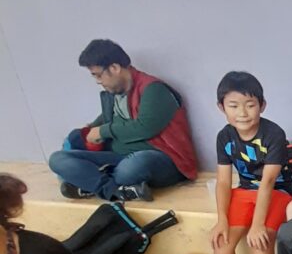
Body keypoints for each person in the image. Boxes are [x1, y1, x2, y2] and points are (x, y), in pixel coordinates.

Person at [186, 71, 292, 254]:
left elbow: (268, 182)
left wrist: (258, 225)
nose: (242, 113)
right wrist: (222, 220)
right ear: (221, 108)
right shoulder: (224, 136)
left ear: (262, 105)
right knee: (222, 241)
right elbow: (223, 181)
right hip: (244, 192)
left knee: (260, 242)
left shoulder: (273, 134)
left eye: (250, 105)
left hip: (277, 192)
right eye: (233, 105)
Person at [48, 39, 197, 202]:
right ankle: (115, 190)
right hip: (118, 157)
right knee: (58, 159)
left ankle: (91, 183)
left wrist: (103, 131)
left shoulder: (154, 89)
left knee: (131, 168)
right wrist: (90, 130)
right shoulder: (115, 92)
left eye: (98, 75)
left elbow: (145, 128)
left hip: (161, 160)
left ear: (115, 68)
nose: (98, 81)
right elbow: (107, 117)